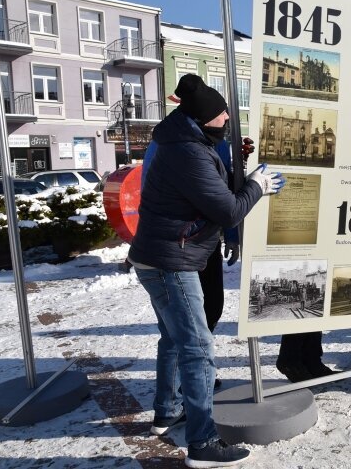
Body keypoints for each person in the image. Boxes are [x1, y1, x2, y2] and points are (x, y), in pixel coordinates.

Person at [130, 74, 285, 468]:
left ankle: (167, 412)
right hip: (172, 261)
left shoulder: (186, 140)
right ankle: (203, 444)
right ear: (204, 118)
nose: (228, 117)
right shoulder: (188, 151)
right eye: (222, 113)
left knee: (173, 337)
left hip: (163, 254)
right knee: (198, 348)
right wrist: (258, 185)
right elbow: (228, 209)